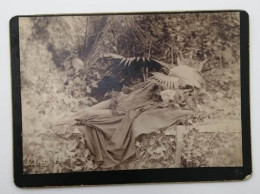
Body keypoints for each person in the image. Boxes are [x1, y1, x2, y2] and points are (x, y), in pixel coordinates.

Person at [52, 81, 193, 168]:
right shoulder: (152, 86)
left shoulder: (156, 106)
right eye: (169, 92)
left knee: (89, 115)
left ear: (168, 103)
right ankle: (64, 120)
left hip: (118, 114)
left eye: (169, 98)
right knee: (87, 110)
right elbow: (133, 91)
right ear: (170, 89)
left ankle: (63, 122)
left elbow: (175, 112)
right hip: (117, 100)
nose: (167, 94)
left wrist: (179, 107)